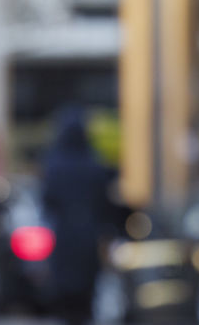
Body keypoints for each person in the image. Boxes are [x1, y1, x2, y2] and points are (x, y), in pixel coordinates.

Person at [41, 106, 117, 325]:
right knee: (86, 298)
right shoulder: (94, 164)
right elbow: (105, 204)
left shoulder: (54, 165)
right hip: (88, 236)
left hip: (63, 237)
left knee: (64, 298)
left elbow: (48, 201)